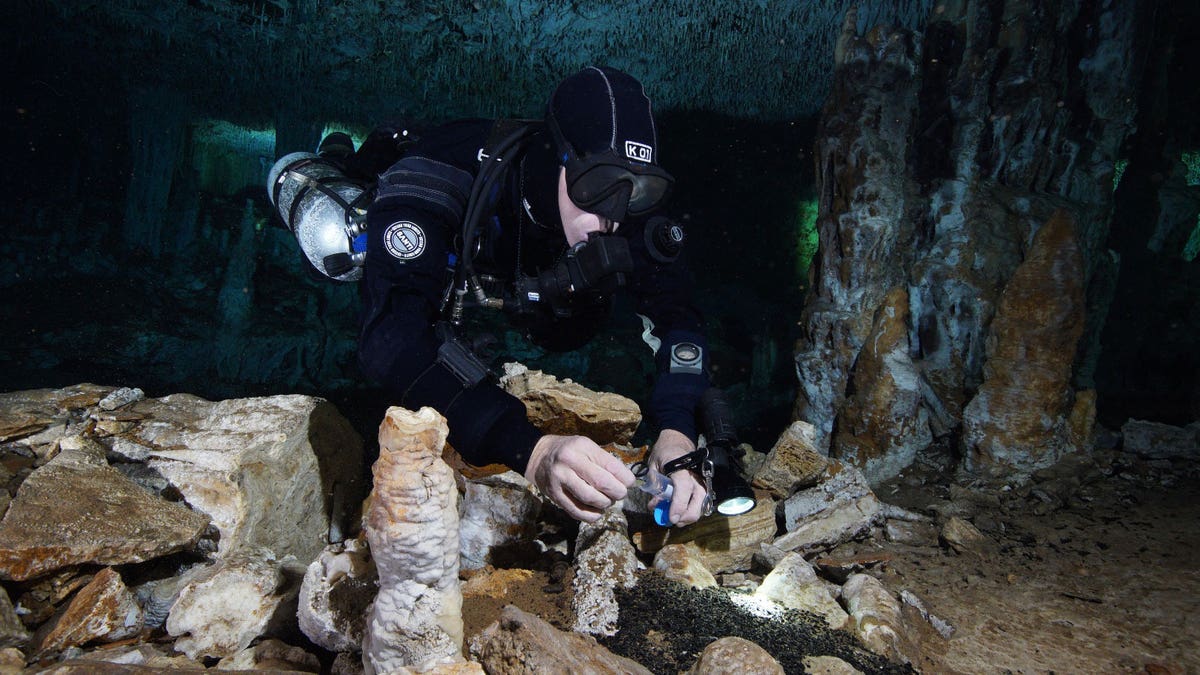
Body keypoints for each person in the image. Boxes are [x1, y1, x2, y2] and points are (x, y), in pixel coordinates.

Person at [341, 66, 711, 525]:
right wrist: (532, 450)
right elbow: (390, 339)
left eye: (636, 189)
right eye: (596, 185)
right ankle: (341, 156)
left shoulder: (625, 209)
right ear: (556, 157)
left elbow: (681, 322)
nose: (611, 217)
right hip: (429, 237)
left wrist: (677, 429)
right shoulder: (451, 168)